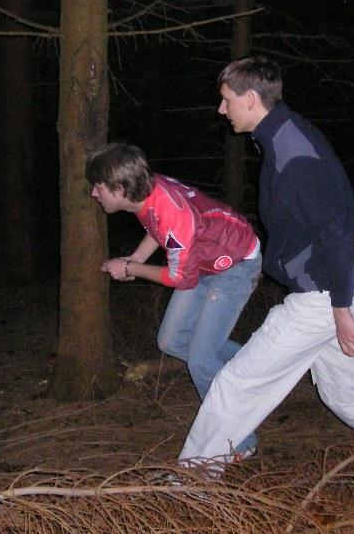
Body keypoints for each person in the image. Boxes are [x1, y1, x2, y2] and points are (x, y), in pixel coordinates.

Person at [179, 56, 354, 466]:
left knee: (237, 383)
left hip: (323, 296)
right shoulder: (280, 136)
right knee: (345, 391)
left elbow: (337, 229)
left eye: (227, 100)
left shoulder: (295, 155)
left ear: (250, 99)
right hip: (333, 285)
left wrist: (341, 308)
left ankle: (193, 480)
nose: (221, 109)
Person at [86, 143, 261, 457]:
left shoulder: (172, 210)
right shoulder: (147, 193)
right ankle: (260, 365)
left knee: (201, 361)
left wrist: (132, 268)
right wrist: (135, 258)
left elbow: (182, 279)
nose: (93, 193)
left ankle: (242, 440)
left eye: (98, 186)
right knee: (170, 341)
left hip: (234, 263)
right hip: (200, 261)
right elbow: (160, 230)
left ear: (119, 189)